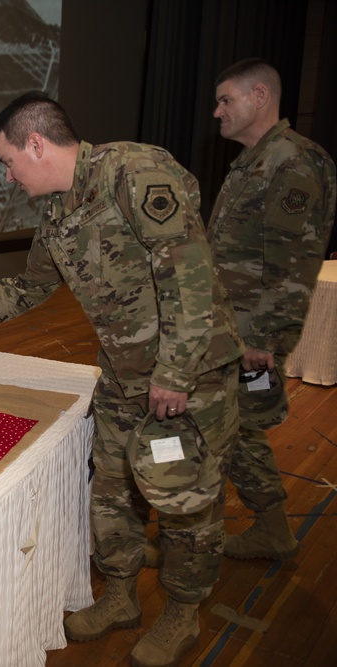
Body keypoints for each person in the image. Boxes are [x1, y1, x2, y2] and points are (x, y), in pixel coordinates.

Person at [0, 92, 243, 667]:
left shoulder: (134, 173)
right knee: (111, 491)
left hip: (187, 377)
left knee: (184, 502)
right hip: (123, 377)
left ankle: (182, 614)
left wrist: (176, 373)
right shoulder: (56, 213)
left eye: (8, 161)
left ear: (36, 143)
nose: (7, 176)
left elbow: (190, 274)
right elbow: (27, 290)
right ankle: (120, 597)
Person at [208, 58, 336, 559]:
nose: (216, 112)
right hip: (228, 328)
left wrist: (264, 340)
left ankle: (265, 528)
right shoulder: (254, 160)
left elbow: (295, 263)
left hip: (250, 335)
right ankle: (257, 529)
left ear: (259, 96)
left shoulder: (294, 162)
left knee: (239, 427)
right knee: (233, 428)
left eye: (226, 100)